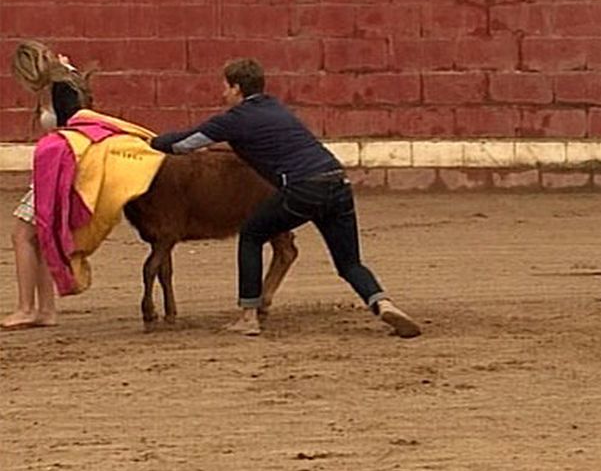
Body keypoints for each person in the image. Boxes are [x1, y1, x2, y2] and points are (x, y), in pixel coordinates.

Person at [151, 58, 421, 338]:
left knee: (252, 233)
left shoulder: (234, 120)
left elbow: (182, 144)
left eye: (226, 87)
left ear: (237, 88)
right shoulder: (276, 108)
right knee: (349, 263)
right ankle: (383, 303)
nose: (223, 94)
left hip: (302, 187)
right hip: (338, 181)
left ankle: (249, 316)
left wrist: (148, 142)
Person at [2, 41, 92, 330]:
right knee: (38, 238)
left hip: (61, 170)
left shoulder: (61, 88)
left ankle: (27, 308)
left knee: (21, 234)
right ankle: (45, 311)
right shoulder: (62, 82)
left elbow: (77, 132)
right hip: (58, 169)